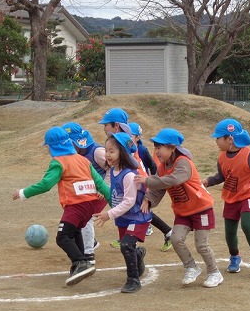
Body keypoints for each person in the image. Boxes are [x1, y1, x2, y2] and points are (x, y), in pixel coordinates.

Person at [13, 126, 111, 286]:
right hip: (90, 206)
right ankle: (83, 261)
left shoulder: (58, 162)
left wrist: (24, 193)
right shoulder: (83, 160)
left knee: (63, 237)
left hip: (76, 206)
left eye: (48, 147)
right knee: (75, 231)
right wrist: (115, 206)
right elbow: (101, 185)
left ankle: (80, 262)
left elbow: (46, 184)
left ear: (52, 147)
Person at [135, 128, 224, 288]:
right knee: (175, 239)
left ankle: (214, 272)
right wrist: (148, 199)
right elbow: (159, 188)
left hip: (201, 208)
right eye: (155, 148)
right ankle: (191, 267)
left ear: (172, 148)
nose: (156, 151)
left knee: (201, 245)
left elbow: (173, 180)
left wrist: (147, 180)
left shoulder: (183, 162)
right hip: (183, 211)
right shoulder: (162, 167)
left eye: (159, 147)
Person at [202, 119, 250, 274]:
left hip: (248, 195)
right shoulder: (222, 157)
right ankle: (234, 257)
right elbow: (221, 176)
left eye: (218, 138)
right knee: (229, 231)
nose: (216, 141)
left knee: (247, 224)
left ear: (229, 139)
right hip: (230, 198)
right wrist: (207, 181)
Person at [98, 108, 173, 252]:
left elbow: (137, 161)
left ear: (116, 125)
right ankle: (165, 232)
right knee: (137, 207)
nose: (104, 128)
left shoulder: (122, 139)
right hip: (129, 175)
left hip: (134, 176)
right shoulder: (116, 139)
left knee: (139, 207)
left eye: (106, 124)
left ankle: (163, 231)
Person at [94, 132, 152, 293]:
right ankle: (138, 255)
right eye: (106, 151)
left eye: (112, 151)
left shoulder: (129, 175)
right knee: (127, 246)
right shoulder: (113, 171)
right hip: (124, 218)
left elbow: (129, 201)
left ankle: (133, 280)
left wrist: (109, 214)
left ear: (123, 153)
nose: (107, 155)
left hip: (138, 217)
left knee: (126, 244)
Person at [62, 121, 109, 264]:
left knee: (87, 219)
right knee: (78, 218)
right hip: (87, 193)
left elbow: (113, 169)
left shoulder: (97, 152)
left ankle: (88, 254)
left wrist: (105, 187)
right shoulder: (74, 155)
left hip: (101, 193)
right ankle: (90, 242)